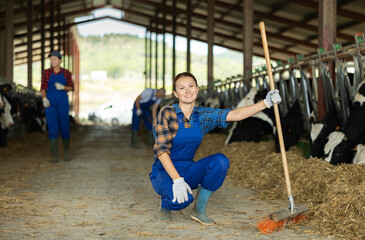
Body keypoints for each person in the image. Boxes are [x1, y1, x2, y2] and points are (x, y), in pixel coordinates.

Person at [149, 72, 281, 225]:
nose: (188, 91)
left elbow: (235, 115)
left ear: (197, 89)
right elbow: (161, 150)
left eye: (191, 86)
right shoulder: (166, 113)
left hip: (187, 168)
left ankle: (199, 209)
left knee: (220, 161)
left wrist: (266, 102)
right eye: (182, 88)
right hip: (164, 171)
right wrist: (177, 180)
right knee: (180, 202)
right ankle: (165, 205)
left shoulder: (202, 114)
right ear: (175, 93)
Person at [40, 51, 74, 162]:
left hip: (62, 103)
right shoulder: (46, 73)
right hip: (50, 103)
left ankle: (66, 152)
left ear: (60, 60)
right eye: (51, 59)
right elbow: (43, 88)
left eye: (54, 59)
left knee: (64, 126)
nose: (52, 61)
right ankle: (54, 155)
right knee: (52, 128)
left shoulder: (66, 73)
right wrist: (44, 98)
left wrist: (63, 87)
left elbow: (72, 88)